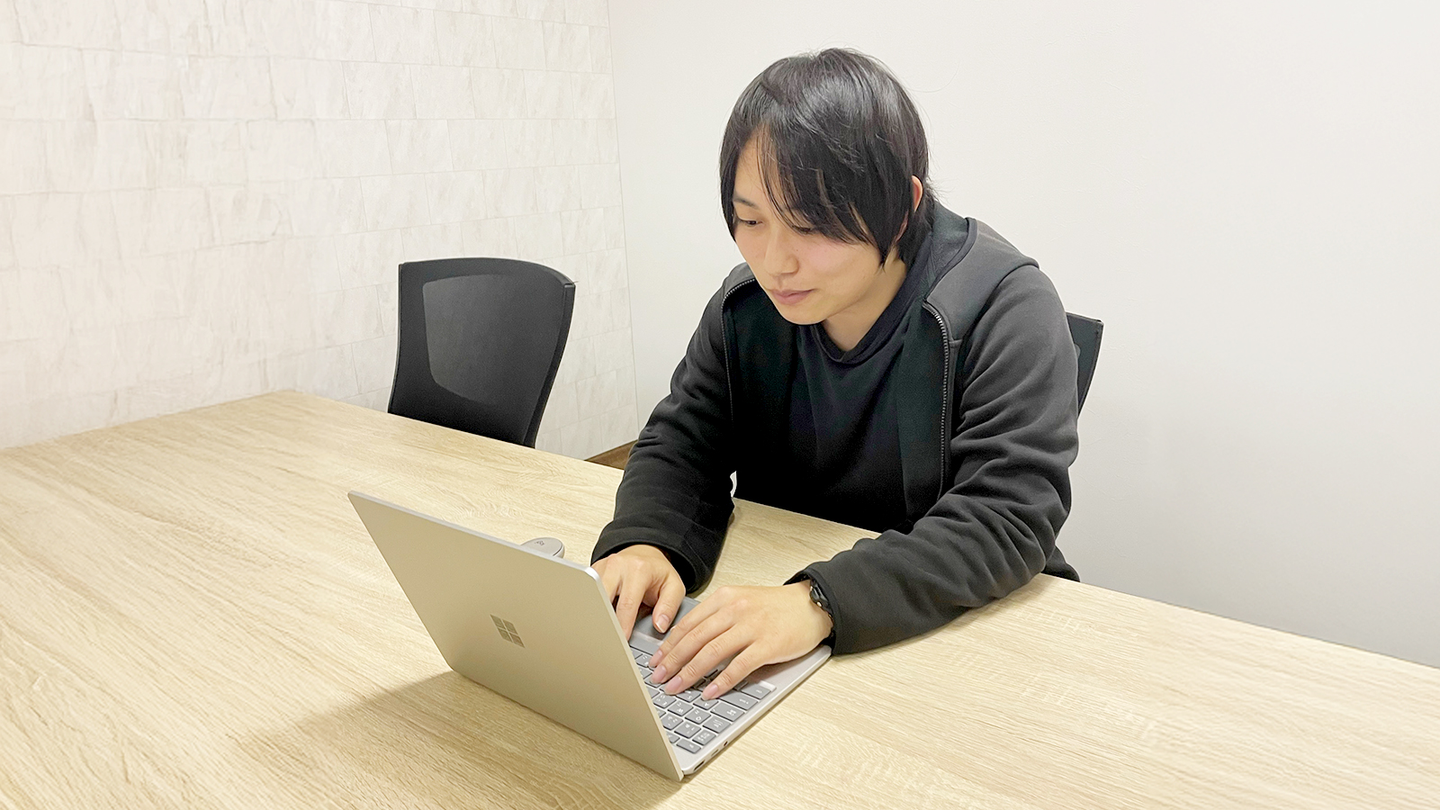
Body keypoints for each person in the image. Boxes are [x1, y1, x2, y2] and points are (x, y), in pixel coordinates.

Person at [591, 48, 1080, 702]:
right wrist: (648, 542)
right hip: (788, 629)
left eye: (811, 225)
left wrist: (818, 602)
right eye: (751, 220)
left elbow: (1007, 518)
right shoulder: (747, 307)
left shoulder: (1005, 306)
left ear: (901, 208)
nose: (775, 261)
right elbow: (683, 442)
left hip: (965, 643)